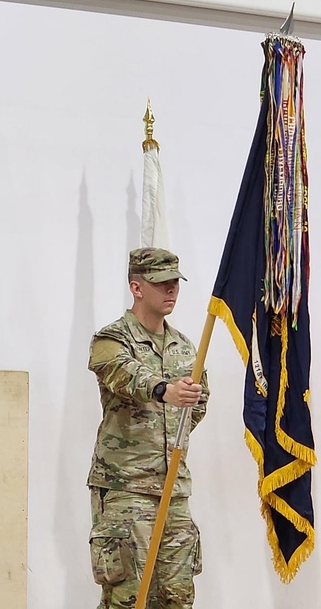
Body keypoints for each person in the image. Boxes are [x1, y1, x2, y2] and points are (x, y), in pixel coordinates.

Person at [87, 247, 209, 609]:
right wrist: (165, 391)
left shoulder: (185, 348)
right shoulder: (111, 340)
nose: (170, 290)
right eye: (160, 283)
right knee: (128, 596)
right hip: (127, 488)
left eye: (174, 283)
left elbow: (198, 405)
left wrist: (177, 410)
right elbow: (125, 374)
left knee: (177, 594)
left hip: (173, 488)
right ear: (137, 287)